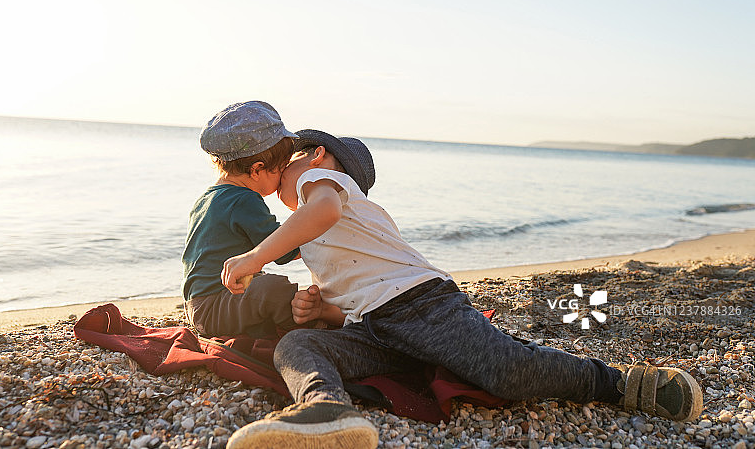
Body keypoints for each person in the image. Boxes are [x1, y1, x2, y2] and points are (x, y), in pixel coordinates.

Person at [222, 130, 704, 449]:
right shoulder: (315, 228)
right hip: (380, 330)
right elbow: (349, 296)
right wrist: (316, 309)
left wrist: (254, 257)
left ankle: (620, 383)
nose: (281, 179)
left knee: (507, 372)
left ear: (318, 156)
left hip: (420, 307)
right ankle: (326, 409)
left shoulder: (320, 182)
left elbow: (322, 211)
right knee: (298, 342)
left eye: (286, 164)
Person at [181, 101, 302, 339]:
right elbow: (284, 250)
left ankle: (271, 324)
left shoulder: (208, 197)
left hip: (197, 307)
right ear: (257, 169)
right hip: (215, 309)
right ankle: (304, 327)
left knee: (264, 285)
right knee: (275, 289)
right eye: (280, 169)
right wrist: (319, 231)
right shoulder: (244, 201)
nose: (283, 177)